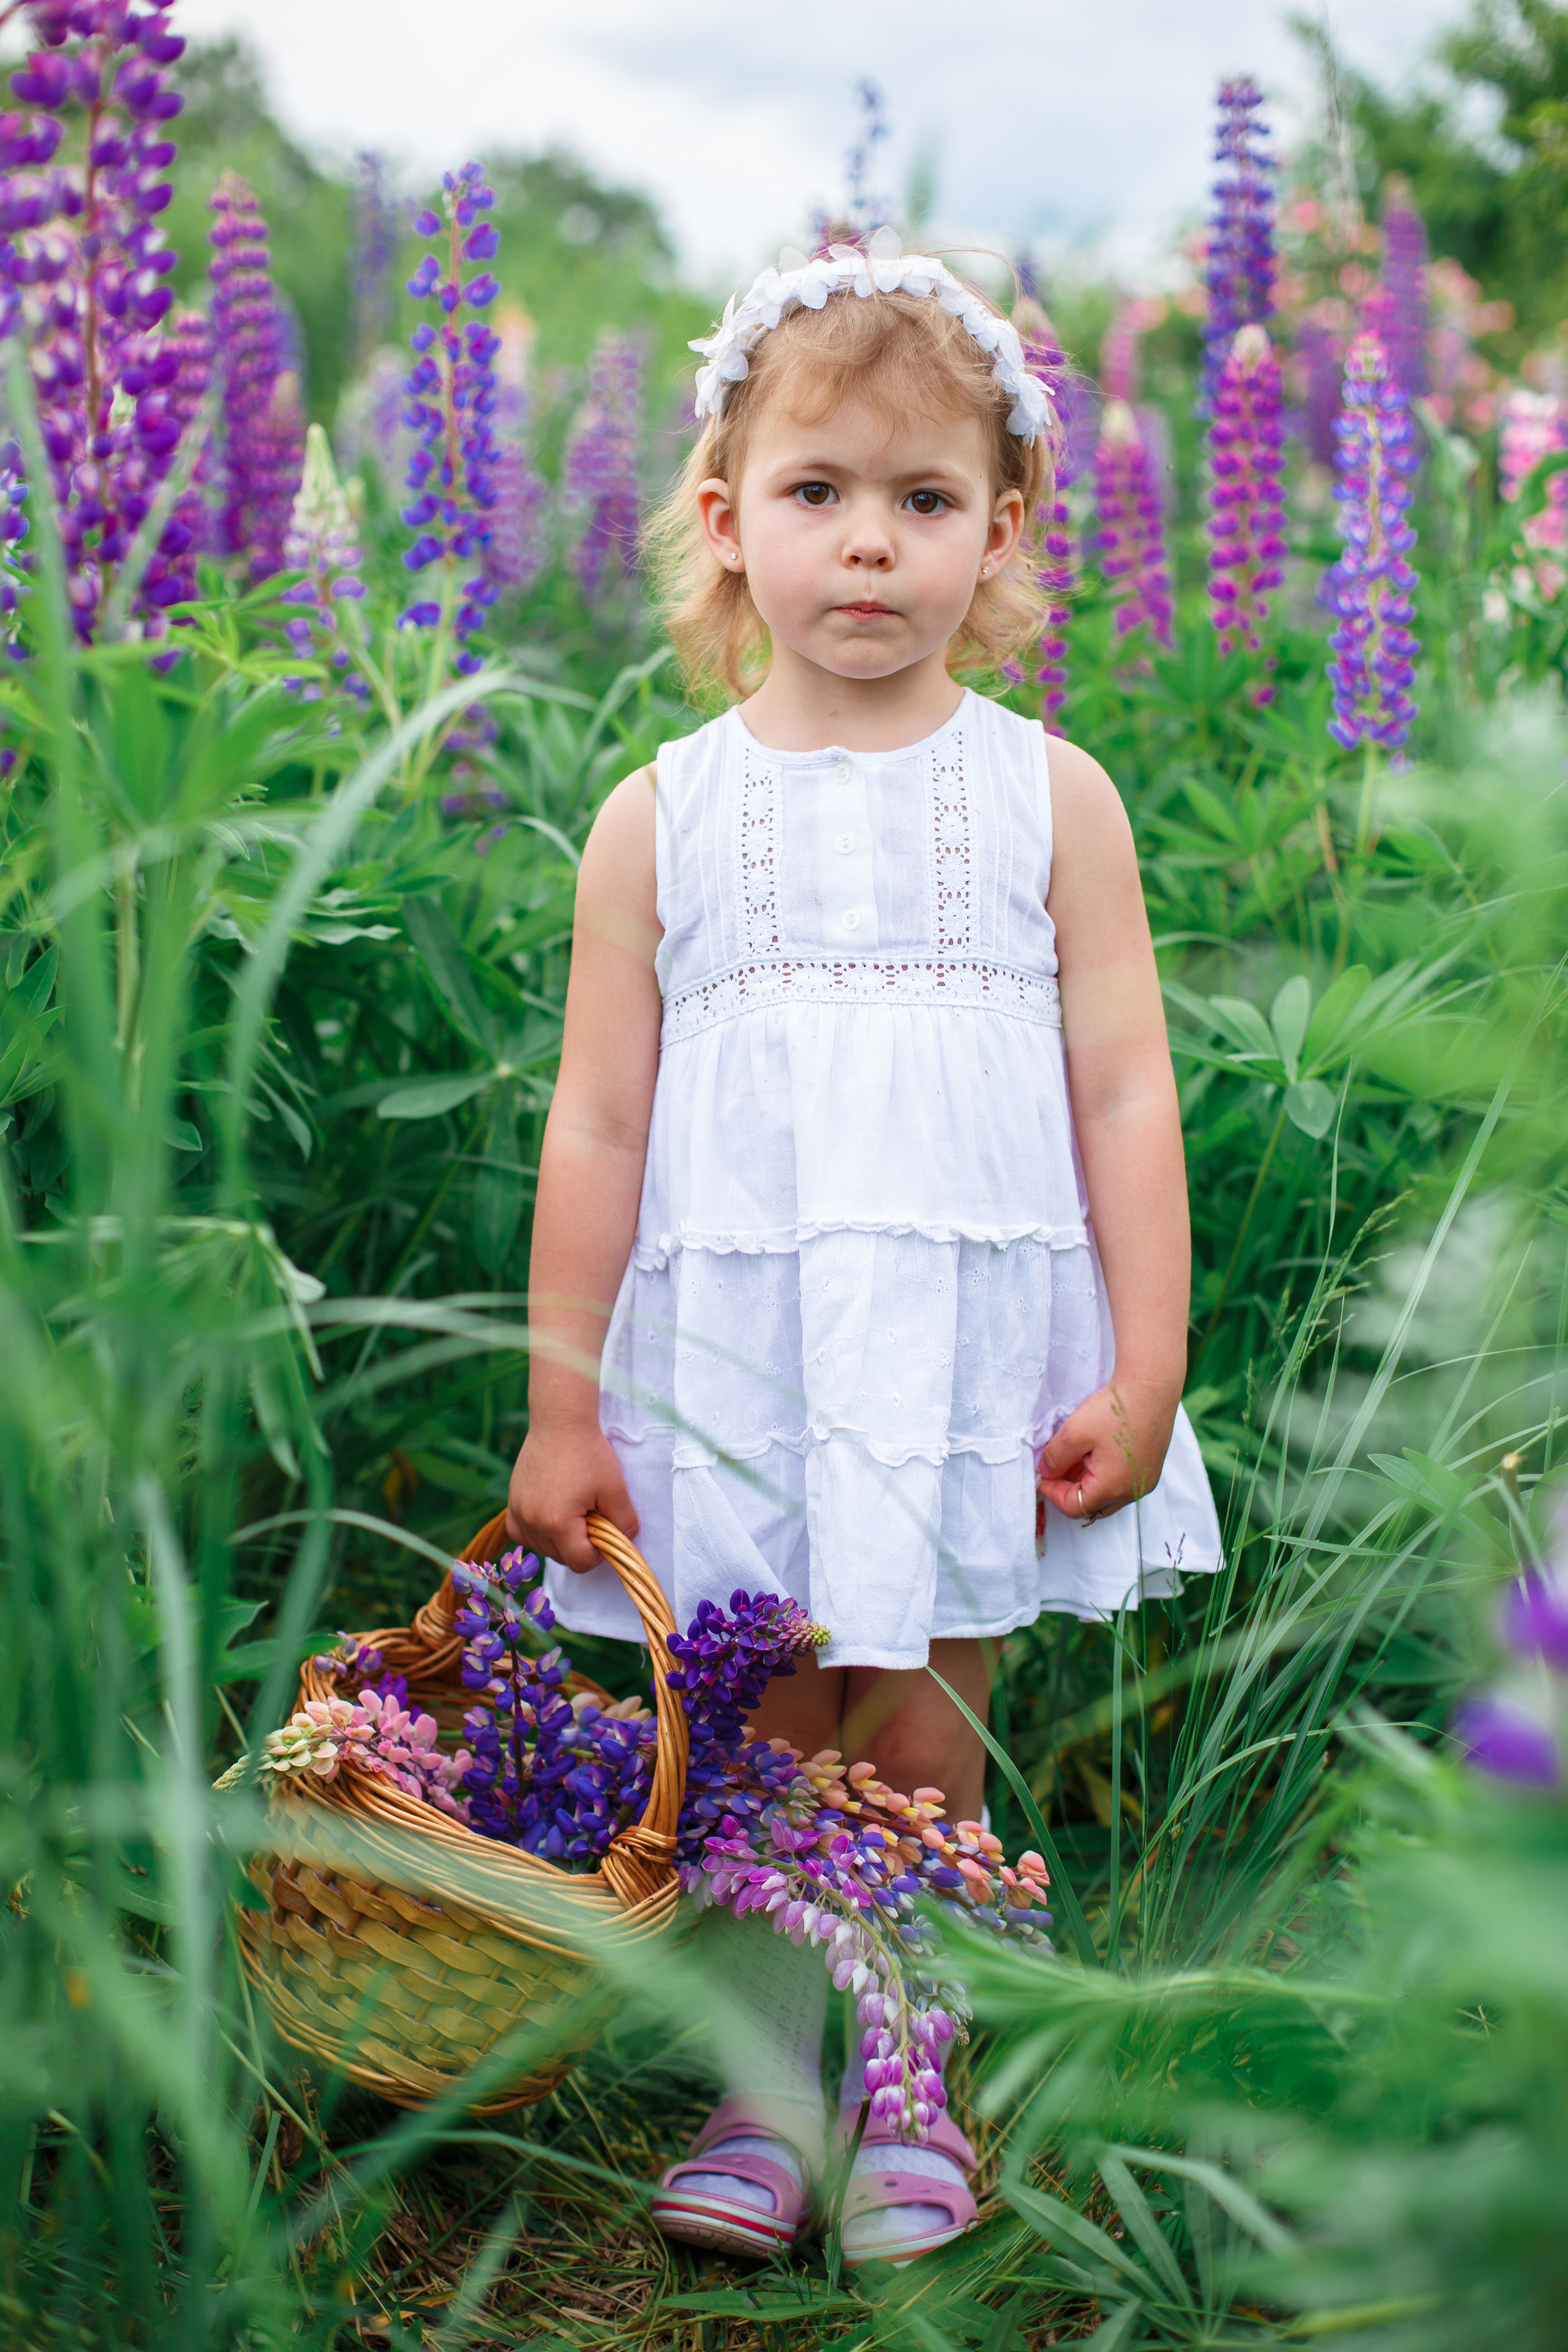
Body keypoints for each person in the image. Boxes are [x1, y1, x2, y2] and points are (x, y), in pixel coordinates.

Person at [505, 238, 1222, 2266]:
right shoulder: (662, 816)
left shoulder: (1050, 797)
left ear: (1002, 535)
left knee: (920, 1736)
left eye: (925, 503)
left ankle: (907, 2079)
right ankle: (760, 2091)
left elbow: (1125, 1096)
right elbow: (602, 1122)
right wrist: (564, 1407)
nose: (872, 547)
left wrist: (1149, 1360)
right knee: (752, 1728)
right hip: (732, 1358)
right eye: (820, 494)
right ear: (729, 524)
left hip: (962, 1355)